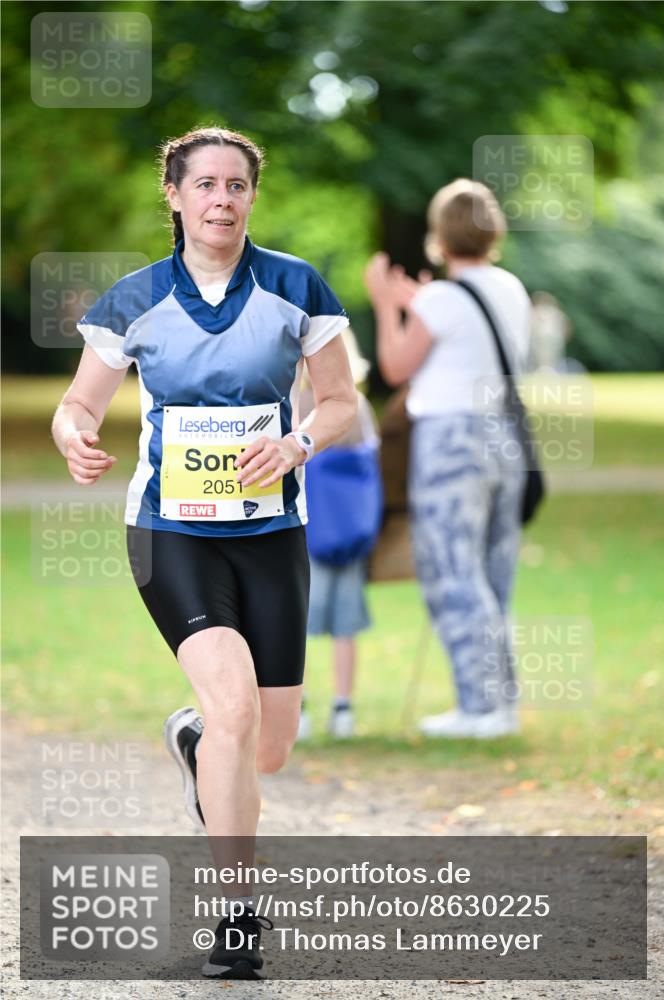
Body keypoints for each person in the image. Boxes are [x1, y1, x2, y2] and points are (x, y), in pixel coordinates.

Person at [51, 125, 356, 979]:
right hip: (170, 533)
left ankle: (193, 742)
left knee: (269, 745)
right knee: (233, 709)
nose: (222, 200)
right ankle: (237, 917)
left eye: (237, 186)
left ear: (251, 196)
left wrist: (296, 444)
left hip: (272, 535)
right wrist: (73, 435)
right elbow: (78, 404)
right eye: (206, 185)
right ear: (176, 196)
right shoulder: (135, 298)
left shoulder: (295, 286)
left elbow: (338, 401)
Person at [364, 178, 531, 739]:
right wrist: (421, 305)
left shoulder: (440, 299)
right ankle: (501, 702)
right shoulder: (509, 288)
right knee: (492, 573)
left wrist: (387, 306)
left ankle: (479, 709)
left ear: (440, 234)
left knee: (453, 572)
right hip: (504, 437)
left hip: (451, 442)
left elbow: (395, 366)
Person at [297, 329, 382, 740]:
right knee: (345, 626)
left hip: (307, 530)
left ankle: (298, 709)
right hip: (350, 532)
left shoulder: (297, 405)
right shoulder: (358, 407)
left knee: (295, 623)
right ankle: (343, 708)